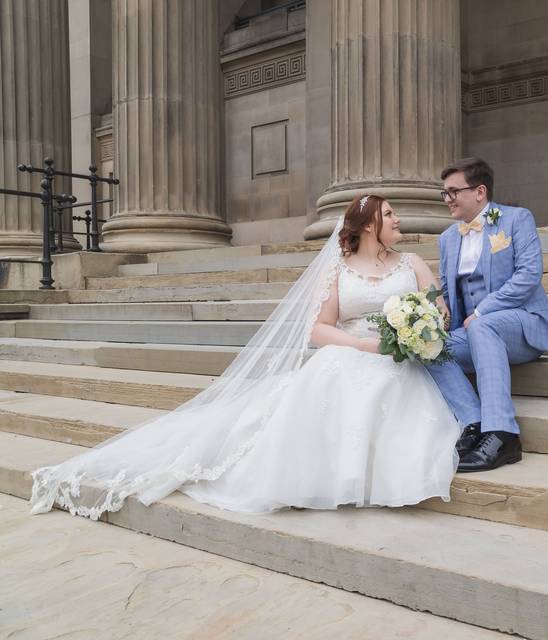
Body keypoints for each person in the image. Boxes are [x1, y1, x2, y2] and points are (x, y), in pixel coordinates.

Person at [30, 195, 459, 518]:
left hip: (400, 359)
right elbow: (319, 328)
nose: (398, 220)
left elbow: (438, 311)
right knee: (334, 380)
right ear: (368, 226)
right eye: (388, 215)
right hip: (352, 351)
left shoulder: (412, 263)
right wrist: (365, 345)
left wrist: (418, 333)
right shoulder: (338, 268)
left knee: (389, 388)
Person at [426, 158, 548, 473]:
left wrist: (483, 310)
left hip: (522, 326)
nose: (448, 199)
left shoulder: (516, 219)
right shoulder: (447, 238)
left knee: (483, 325)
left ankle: (502, 433)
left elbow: (529, 275)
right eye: (444, 193)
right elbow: (449, 291)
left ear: (480, 191)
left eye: (453, 191)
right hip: (475, 333)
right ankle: (473, 422)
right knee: (427, 347)